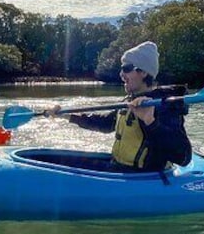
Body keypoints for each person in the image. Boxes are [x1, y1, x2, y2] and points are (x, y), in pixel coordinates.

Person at [47, 41, 192, 173]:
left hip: (143, 178)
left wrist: (151, 122)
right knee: (56, 161)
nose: (121, 74)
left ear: (144, 72)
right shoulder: (129, 101)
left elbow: (183, 157)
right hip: (118, 169)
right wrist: (66, 115)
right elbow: (105, 123)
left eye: (126, 68)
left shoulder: (163, 106)